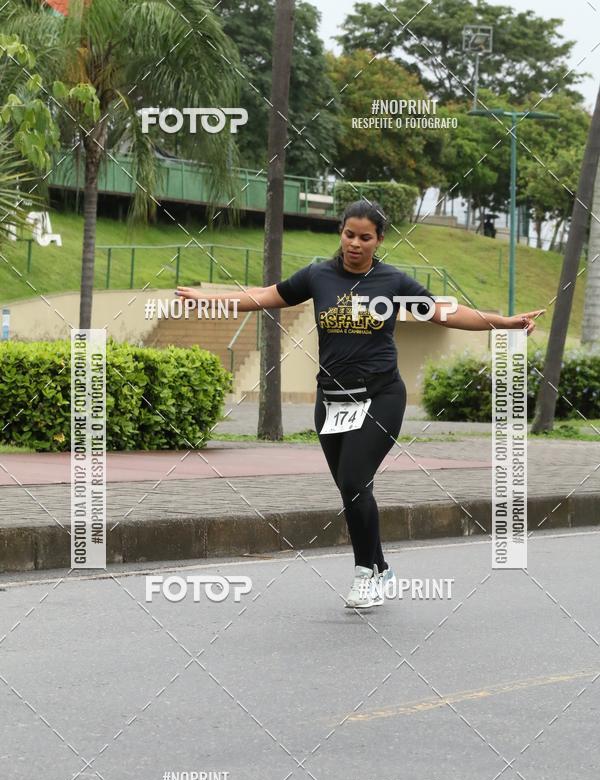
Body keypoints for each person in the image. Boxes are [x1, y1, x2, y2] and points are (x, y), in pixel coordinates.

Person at [175, 199, 544, 610]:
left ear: (379, 240)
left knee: (353, 481)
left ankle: (365, 575)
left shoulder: (392, 281)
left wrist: (504, 323)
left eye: (365, 237)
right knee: (353, 489)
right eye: (349, 234)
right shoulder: (317, 275)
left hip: (381, 396)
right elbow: (265, 296)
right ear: (341, 233)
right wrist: (211, 301)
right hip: (331, 400)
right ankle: (382, 567)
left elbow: (445, 312)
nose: (355, 243)